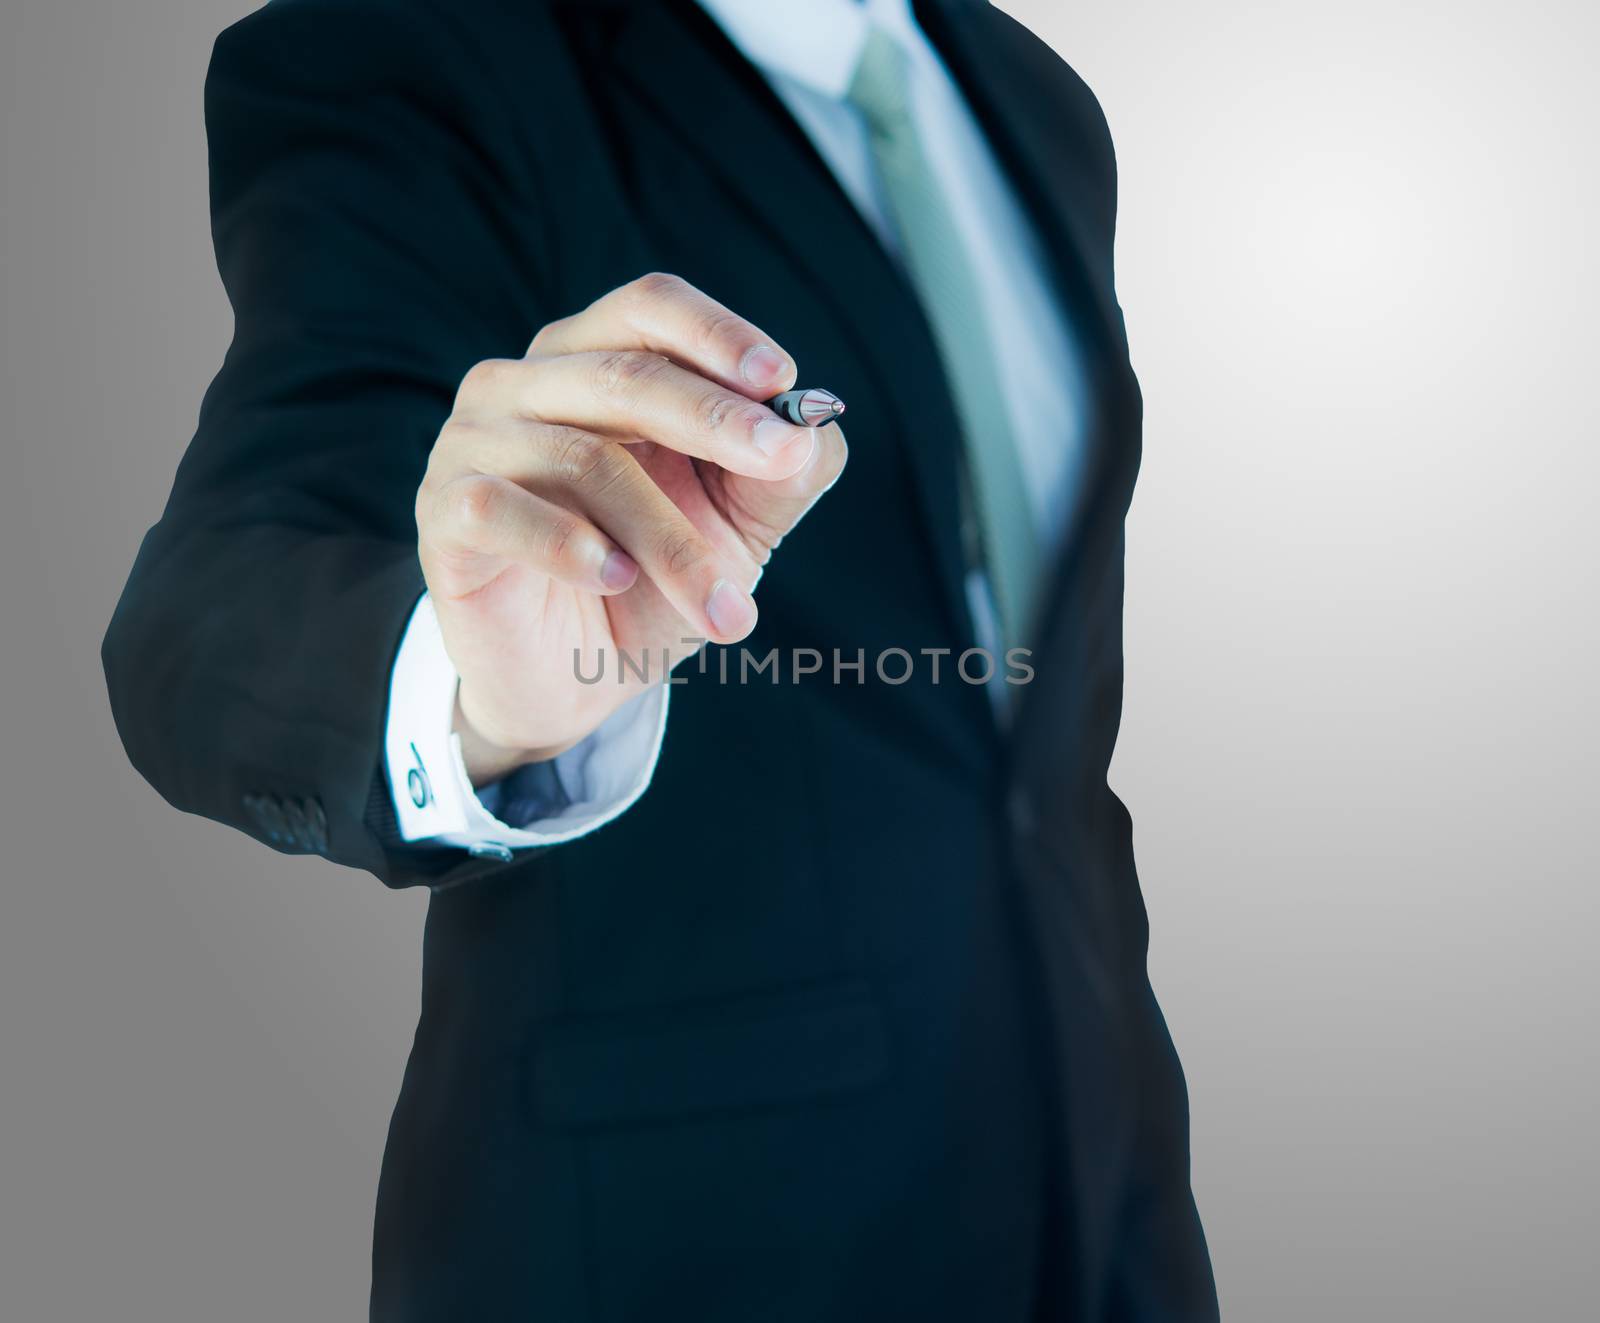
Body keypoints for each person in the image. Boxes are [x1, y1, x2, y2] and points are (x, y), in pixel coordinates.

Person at [103, 0, 1219, 1318]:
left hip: (1101, 1209)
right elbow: (219, 592)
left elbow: (1023, 747)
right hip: (682, 1241)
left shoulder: (1037, 101)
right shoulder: (411, 49)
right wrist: (477, 689)